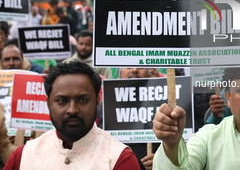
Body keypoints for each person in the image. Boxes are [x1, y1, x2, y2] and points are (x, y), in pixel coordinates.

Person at [3, 60, 140, 169]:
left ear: (97, 101)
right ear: (48, 103)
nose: (72, 110)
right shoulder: (24, 156)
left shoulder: (119, 159)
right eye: (62, 101)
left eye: (83, 100)